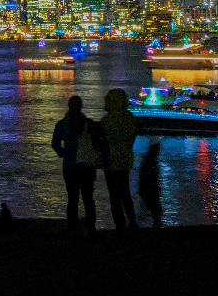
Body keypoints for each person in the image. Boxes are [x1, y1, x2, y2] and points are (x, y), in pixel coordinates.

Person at [52, 95, 105, 234]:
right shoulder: (89, 124)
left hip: (70, 166)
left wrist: (64, 153)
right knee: (88, 197)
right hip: (87, 166)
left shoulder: (62, 124)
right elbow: (101, 138)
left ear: (68, 107)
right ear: (81, 107)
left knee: (72, 198)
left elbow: (55, 143)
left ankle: (73, 227)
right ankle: (90, 226)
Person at [101, 88, 139, 232]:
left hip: (110, 161)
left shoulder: (107, 121)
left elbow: (102, 141)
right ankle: (132, 221)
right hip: (125, 160)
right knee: (125, 192)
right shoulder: (130, 119)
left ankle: (120, 224)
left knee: (114, 195)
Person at [138, 138, 163, 228]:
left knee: (147, 210)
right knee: (155, 210)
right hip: (150, 189)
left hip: (147, 189)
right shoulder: (151, 162)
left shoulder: (147, 161)